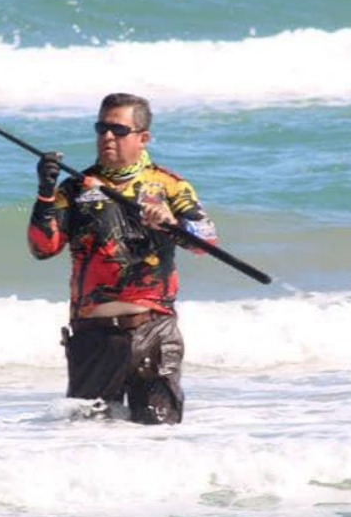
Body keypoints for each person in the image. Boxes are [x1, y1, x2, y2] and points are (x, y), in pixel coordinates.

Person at [28, 92, 217, 424]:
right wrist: (45, 193)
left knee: (158, 435)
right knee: (88, 439)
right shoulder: (74, 189)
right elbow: (43, 248)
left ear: (143, 138)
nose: (107, 137)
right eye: (101, 129)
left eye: (118, 130)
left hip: (154, 331)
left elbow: (206, 242)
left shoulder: (169, 186)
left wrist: (171, 224)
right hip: (93, 335)